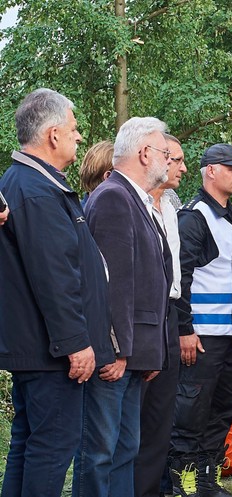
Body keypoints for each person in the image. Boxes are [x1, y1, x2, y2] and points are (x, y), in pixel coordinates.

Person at [0, 88, 114, 497]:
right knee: (52, 445)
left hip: (40, 346)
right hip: (50, 350)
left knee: (30, 442)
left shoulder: (34, 183)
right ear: (52, 135)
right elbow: (55, 275)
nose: (79, 135)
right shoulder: (36, 189)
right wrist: (75, 342)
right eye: (74, 127)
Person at [75, 116, 173, 497]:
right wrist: (117, 348)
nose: (169, 160)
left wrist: (149, 352)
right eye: (164, 152)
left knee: (125, 449)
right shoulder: (114, 196)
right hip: (116, 354)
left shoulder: (136, 199)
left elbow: (153, 282)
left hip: (134, 354)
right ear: (145, 153)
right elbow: (112, 283)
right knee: (100, 452)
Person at [169, 143, 232, 497]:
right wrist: (184, 330)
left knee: (222, 410)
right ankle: (181, 480)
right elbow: (179, 277)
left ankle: (207, 480)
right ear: (211, 171)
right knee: (190, 411)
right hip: (201, 335)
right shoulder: (195, 217)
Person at [134, 133, 187, 497]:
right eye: (176, 159)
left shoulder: (171, 205)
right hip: (142, 318)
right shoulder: (133, 202)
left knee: (160, 418)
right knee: (133, 419)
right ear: (157, 158)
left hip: (169, 315)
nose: (182, 167)